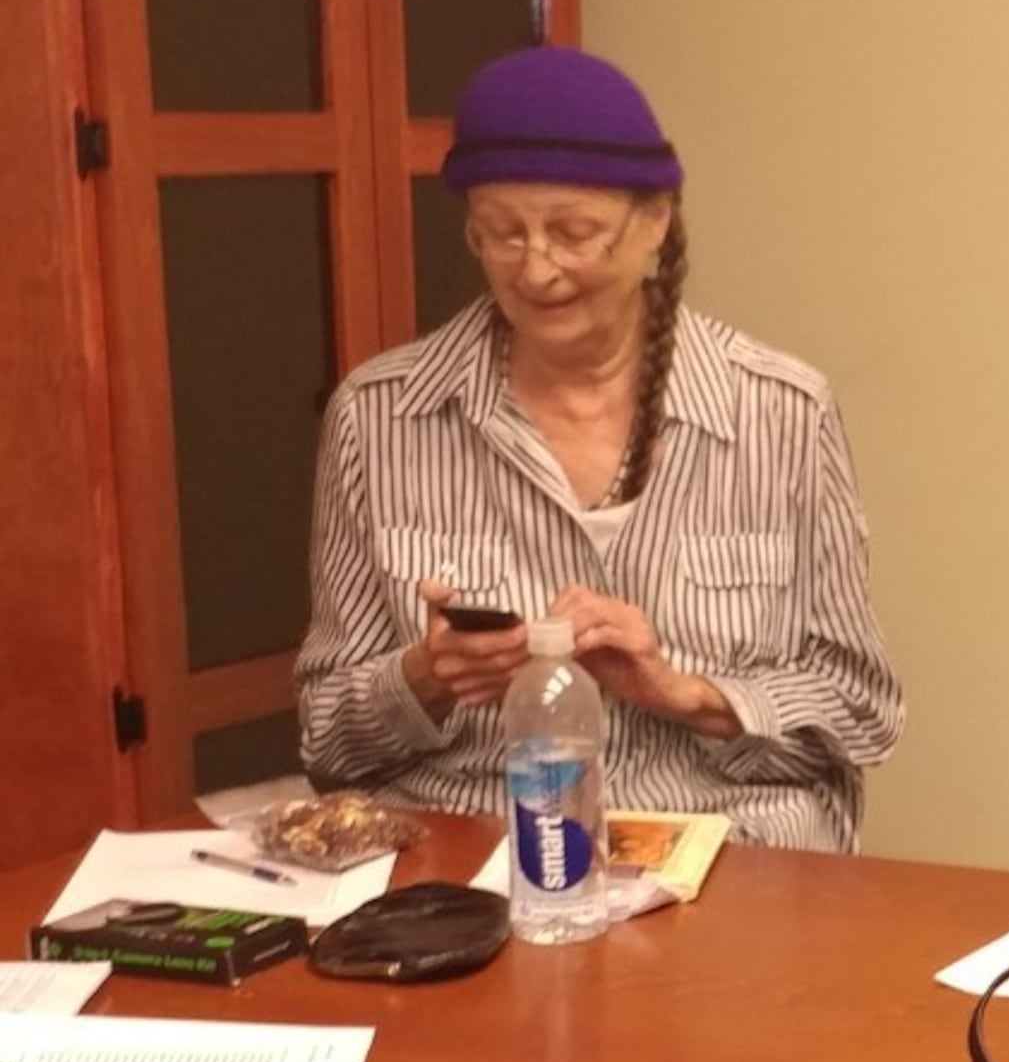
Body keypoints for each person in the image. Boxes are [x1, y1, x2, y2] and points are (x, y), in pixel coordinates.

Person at [296, 46, 904, 851]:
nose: (538, 269)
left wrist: (682, 692)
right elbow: (327, 743)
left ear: (654, 222)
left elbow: (862, 712)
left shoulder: (780, 410)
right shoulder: (380, 416)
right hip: (476, 857)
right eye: (503, 235)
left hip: (733, 853)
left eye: (573, 233)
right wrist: (424, 680)